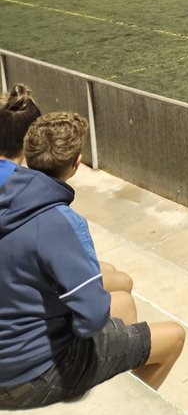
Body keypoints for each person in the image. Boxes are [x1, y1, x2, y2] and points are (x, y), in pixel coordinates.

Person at [0, 112, 185, 408]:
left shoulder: (9, 199)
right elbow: (91, 318)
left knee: (122, 301)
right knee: (173, 336)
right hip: (27, 376)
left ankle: (118, 380)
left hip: (12, 353)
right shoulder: (58, 221)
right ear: (76, 163)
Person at [0, 88, 132, 297]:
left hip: (18, 278)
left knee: (109, 273)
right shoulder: (32, 197)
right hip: (24, 293)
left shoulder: (20, 184)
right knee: (122, 290)